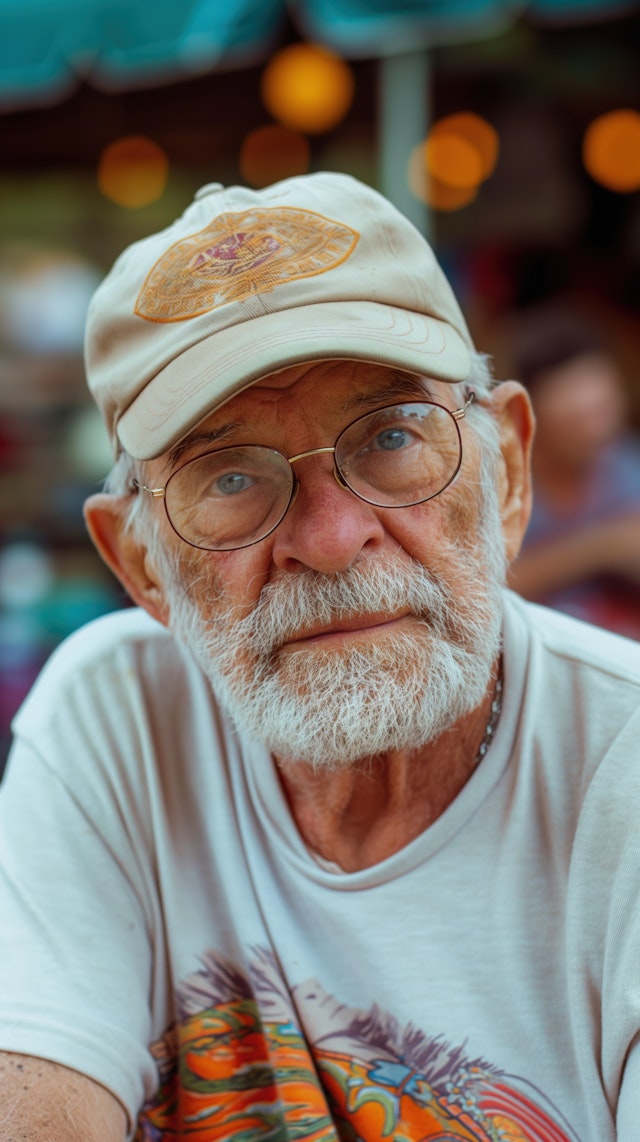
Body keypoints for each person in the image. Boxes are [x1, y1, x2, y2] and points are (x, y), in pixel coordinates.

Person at [0, 172, 638, 1142]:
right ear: (142, 566)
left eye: (390, 436)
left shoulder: (620, 766)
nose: (333, 538)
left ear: (505, 469)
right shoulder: (116, 714)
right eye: (229, 475)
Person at [507, 300, 640, 638]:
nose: (595, 430)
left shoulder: (627, 466)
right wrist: (600, 548)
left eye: (602, 410)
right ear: (531, 414)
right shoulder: (503, 483)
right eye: (576, 417)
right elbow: (484, 591)